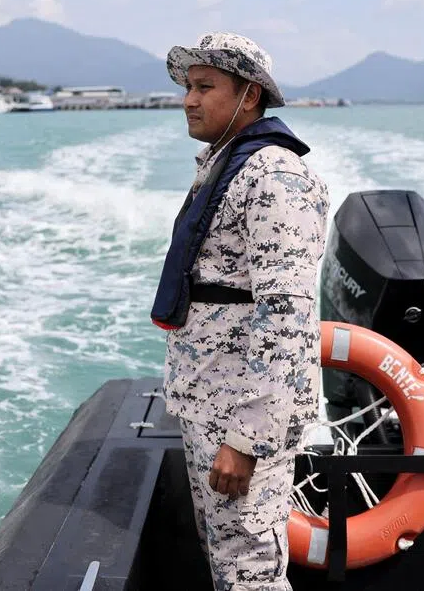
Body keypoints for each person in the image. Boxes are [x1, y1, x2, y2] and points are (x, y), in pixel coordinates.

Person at [150, 32, 330, 590]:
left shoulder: (275, 178)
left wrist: (246, 439)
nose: (188, 100)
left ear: (249, 95)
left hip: (241, 414)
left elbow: (286, 318)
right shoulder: (225, 166)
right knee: (229, 565)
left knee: (250, 573)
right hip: (211, 399)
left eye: (205, 87)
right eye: (187, 87)